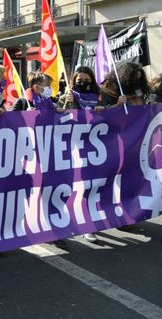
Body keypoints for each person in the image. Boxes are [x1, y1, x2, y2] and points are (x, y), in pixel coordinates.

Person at [56, 66, 104, 242]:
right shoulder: (66, 97)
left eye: (86, 80)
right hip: (73, 148)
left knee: (91, 186)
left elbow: (110, 118)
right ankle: (75, 220)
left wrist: (113, 107)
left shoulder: (98, 98)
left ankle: (87, 223)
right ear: (74, 80)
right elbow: (58, 120)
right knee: (76, 187)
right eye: (79, 80)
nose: (83, 83)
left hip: (95, 148)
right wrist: (65, 106)